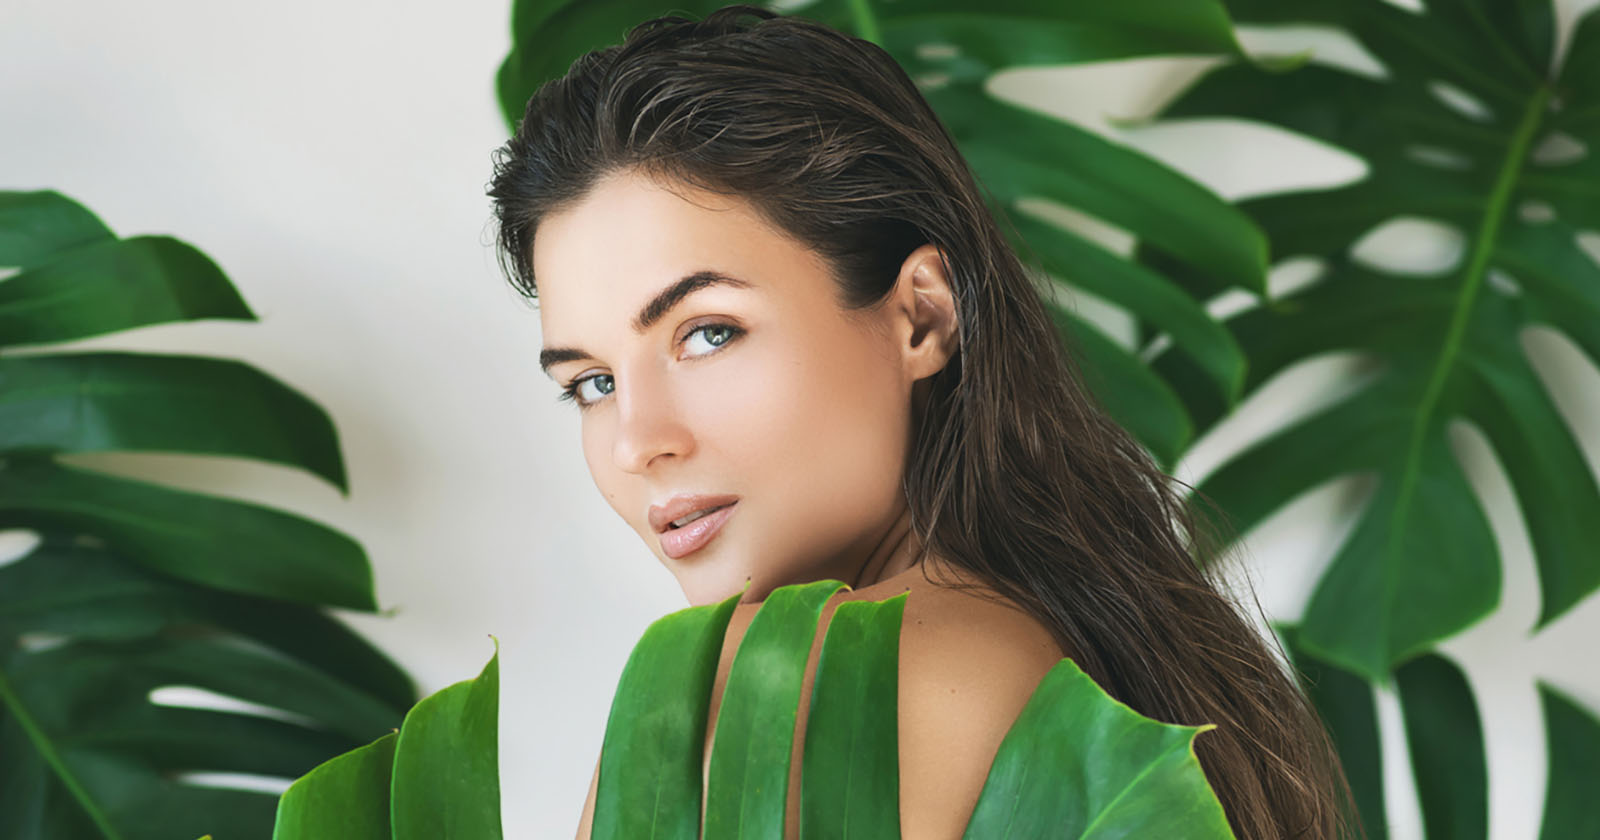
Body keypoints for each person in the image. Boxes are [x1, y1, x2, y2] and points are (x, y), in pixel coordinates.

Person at [487, 5, 1359, 839]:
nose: (639, 443)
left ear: (922, 316)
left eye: (708, 334)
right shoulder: (1136, 665)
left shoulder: (777, 690)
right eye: (592, 384)